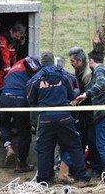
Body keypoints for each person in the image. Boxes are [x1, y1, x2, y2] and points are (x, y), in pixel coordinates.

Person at [27, 52, 90, 184]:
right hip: (64, 117)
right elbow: (74, 93)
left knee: (44, 149)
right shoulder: (65, 75)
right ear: (54, 62)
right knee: (74, 146)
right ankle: (83, 177)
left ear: (41, 63)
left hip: (45, 118)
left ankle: (43, 180)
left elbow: (30, 99)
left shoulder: (36, 78)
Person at [75, 50, 105, 183]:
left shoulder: (98, 71)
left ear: (91, 61)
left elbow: (100, 84)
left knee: (102, 146)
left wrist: (86, 94)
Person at [0, 56, 41, 172]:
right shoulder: (29, 60)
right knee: (24, 132)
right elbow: (36, 72)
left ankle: (8, 147)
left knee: (4, 125)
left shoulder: (14, 68)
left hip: (4, 97)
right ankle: (22, 163)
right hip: (19, 98)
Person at [68, 47, 102, 176]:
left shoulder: (88, 74)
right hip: (83, 113)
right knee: (81, 140)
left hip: (91, 113)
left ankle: (96, 168)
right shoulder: (79, 70)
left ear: (80, 61)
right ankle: (79, 167)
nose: (71, 63)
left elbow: (90, 96)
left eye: (72, 61)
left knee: (92, 141)